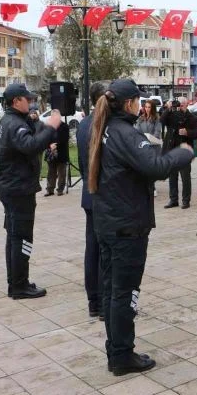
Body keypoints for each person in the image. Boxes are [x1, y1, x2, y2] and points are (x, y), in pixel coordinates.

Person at [88, 79, 194, 375]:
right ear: (128, 104)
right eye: (137, 100)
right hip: (126, 227)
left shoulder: (105, 128)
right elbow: (155, 167)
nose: (140, 104)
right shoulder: (125, 133)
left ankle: (117, 350)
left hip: (110, 223)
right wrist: (183, 153)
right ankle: (122, 355)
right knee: (125, 293)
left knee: (112, 292)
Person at [0, 83, 61, 300]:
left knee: (13, 236)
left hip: (12, 186)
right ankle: (19, 286)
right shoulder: (13, 124)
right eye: (27, 99)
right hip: (18, 188)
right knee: (21, 237)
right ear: (16, 101)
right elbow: (31, 146)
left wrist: (39, 126)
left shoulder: (10, 121)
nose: (30, 102)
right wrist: (51, 127)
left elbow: (29, 140)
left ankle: (16, 281)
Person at [77, 80, 110, 319]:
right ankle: (101, 302)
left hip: (89, 195)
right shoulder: (100, 125)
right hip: (103, 197)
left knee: (93, 248)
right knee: (103, 251)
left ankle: (94, 301)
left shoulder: (83, 124)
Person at [161, 97, 197, 209]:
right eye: (179, 104)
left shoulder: (192, 117)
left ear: (187, 104)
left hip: (184, 150)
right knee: (172, 176)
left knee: (185, 177)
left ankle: (186, 200)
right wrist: (168, 109)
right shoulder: (172, 115)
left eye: (183, 105)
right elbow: (162, 120)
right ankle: (173, 200)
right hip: (171, 149)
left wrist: (187, 132)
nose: (180, 106)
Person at [135, 100, 162, 197]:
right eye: (146, 107)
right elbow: (137, 130)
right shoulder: (141, 118)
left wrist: (149, 138)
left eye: (149, 107)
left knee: (152, 168)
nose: (147, 109)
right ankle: (148, 186)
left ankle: (152, 187)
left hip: (154, 146)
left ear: (153, 108)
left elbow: (157, 133)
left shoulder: (156, 119)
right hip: (143, 146)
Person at [45, 120, 70, 196]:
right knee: (51, 173)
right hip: (51, 153)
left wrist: (56, 144)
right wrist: (50, 145)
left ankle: (60, 189)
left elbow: (65, 138)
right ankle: (50, 189)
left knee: (61, 173)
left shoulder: (64, 126)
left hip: (61, 153)